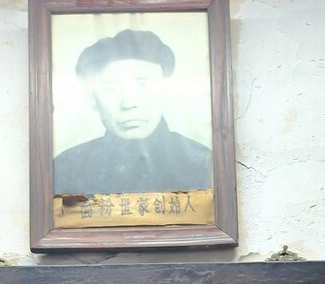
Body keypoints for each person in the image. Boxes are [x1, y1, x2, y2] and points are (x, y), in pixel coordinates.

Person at [53, 28, 212, 196]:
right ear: (92, 99)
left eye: (143, 85)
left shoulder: (203, 162)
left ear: (166, 90)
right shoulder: (66, 168)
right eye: (111, 89)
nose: (129, 103)